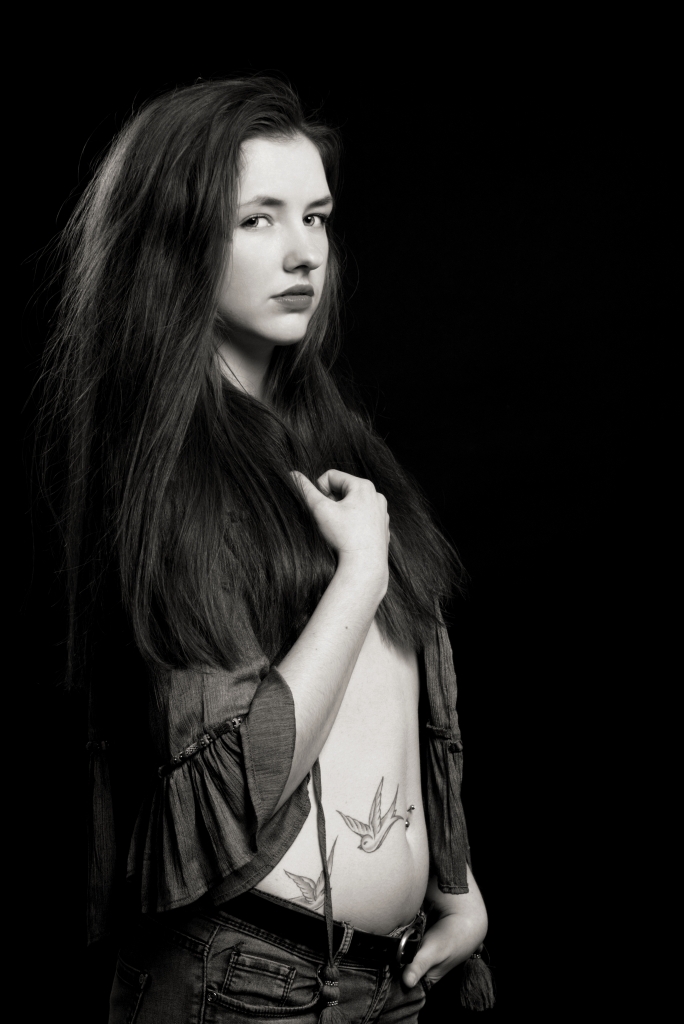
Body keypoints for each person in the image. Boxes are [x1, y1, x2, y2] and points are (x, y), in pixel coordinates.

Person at [38, 75, 493, 1022]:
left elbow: (390, 698)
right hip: (246, 982)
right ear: (176, 242)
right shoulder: (168, 472)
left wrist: (455, 886)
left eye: (316, 217)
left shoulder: (334, 441)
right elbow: (239, 780)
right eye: (257, 220)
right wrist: (359, 574)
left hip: (388, 983)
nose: (303, 252)